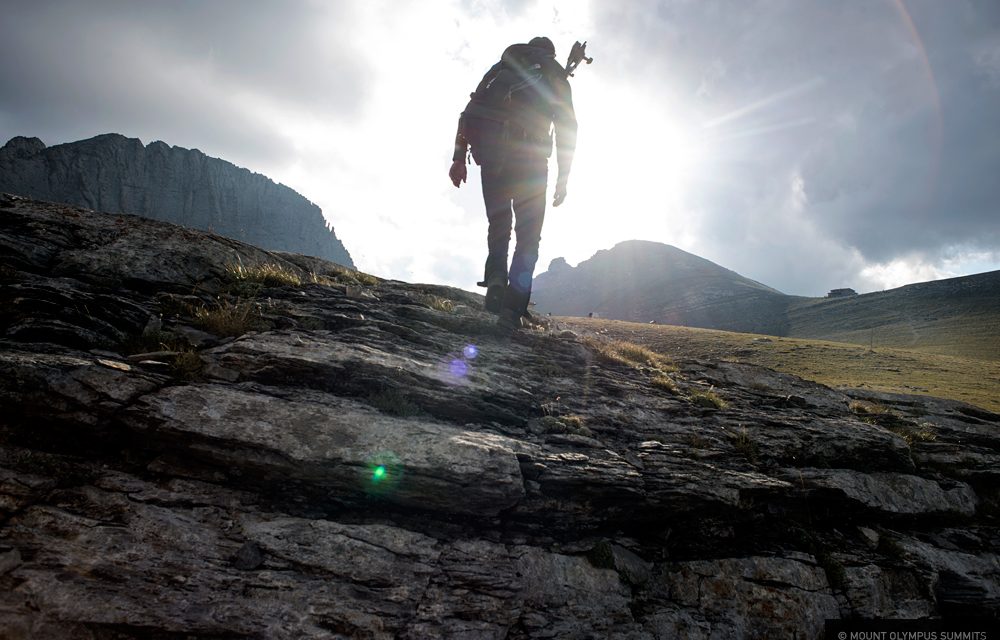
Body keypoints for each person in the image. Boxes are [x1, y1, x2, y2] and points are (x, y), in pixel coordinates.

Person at [449, 36, 577, 331]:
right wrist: (563, 177)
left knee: (499, 224)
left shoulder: (501, 70)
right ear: (551, 54)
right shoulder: (554, 73)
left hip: (492, 157)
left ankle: (496, 279)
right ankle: (512, 308)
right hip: (529, 161)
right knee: (528, 237)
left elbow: (468, 112)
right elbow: (568, 127)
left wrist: (458, 159)